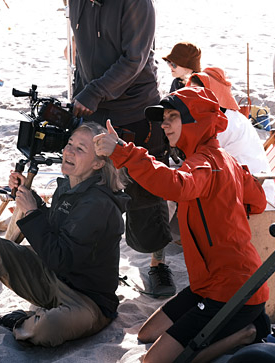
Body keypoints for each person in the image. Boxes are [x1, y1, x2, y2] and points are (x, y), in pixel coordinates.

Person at [94, 87, 271, 362]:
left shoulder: (206, 163)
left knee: (154, 361)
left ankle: (244, 334)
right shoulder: (224, 161)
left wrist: (124, 153)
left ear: (197, 120)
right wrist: (225, 202)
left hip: (232, 292)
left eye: (173, 116)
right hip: (208, 285)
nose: (164, 124)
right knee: (145, 334)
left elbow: (176, 185)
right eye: (163, 118)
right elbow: (258, 201)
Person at [0, 122, 130, 347]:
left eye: (80, 149)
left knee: (48, 328)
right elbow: (54, 228)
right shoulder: (70, 185)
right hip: (52, 277)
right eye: (69, 144)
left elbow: (60, 258)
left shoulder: (98, 203)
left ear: (97, 163)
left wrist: (30, 211)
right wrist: (28, 197)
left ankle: (20, 321)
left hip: (87, 299)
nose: (68, 151)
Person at [68, 0, 175, 298]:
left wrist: (94, 91)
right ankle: (93, 268)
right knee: (92, 191)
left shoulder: (137, 3)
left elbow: (134, 58)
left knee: (146, 193)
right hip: (94, 109)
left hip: (136, 110)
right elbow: (80, 56)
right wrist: (79, 97)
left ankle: (157, 264)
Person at [187, 67, 275, 204]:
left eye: (199, 93)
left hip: (253, 195)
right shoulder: (221, 117)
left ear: (214, 94)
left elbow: (202, 157)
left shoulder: (229, 123)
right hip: (233, 184)